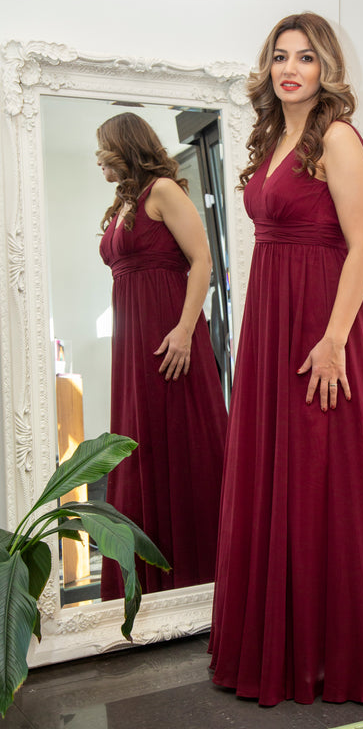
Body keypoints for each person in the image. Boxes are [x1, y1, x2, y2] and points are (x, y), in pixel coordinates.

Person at [208, 14, 363, 705]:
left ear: (325, 67)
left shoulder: (337, 136)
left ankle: (335, 653)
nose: (290, 68)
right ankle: (286, 646)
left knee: (325, 476)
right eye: (279, 57)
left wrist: (333, 340)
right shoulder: (274, 137)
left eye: (304, 57)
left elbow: (362, 244)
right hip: (271, 320)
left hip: (321, 324)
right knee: (278, 473)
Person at [97, 112, 227, 598]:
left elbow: (202, 260)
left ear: (125, 146)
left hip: (170, 338)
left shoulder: (164, 191)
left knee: (182, 447)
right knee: (141, 449)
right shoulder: (125, 202)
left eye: (103, 149)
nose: (98, 159)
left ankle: (202, 579)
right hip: (132, 344)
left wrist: (185, 331)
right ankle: (147, 588)